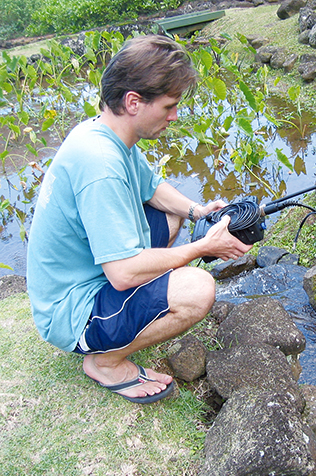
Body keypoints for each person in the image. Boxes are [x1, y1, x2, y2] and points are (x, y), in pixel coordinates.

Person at [27, 35, 252, 404]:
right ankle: (105, 362)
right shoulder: (100, 164)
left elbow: (153, 190)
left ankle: (135, 310)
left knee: (171, 216)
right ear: (134, 102)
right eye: (169, 106)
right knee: (197, 290)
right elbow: (122, 273)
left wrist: (198, 211)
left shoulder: (106, 133)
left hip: (90, 273)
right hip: (72, 310)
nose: (175, 116)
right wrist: (203, 247)